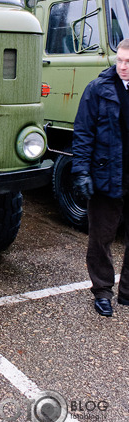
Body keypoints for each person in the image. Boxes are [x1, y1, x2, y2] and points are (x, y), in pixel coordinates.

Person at [72, 38, 129, 317]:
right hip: (107, 175)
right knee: (101, 237)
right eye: (119, 60)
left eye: (128, 62)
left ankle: (127, 292)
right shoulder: (97, 89)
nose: (122, 66)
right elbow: (83, 133)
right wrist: (81, 171)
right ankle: (103, 291)